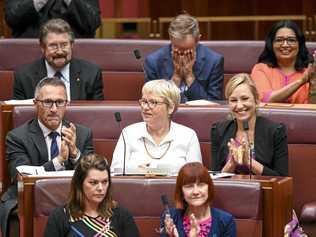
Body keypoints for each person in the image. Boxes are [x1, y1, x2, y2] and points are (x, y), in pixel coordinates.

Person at [0, 77, 94, 236]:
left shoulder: (83, 133)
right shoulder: (17, 137)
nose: (54, 109)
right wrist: (58, 161)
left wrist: (75, 153)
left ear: (67, 104)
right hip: (30, 201)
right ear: (35, 103)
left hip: (72, 198)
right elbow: (20, 177)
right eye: (47, 102)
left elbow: (93, 176)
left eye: (59, 102)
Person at [111, 79, 202, 175]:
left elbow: (196, 176)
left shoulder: (188, 136)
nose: (145, 107)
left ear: (170, 107)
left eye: (153, 102)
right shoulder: (128, 133)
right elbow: (115, 173)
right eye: (144, 101)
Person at [44, 153, 140, 237]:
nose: (100, 188)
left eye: (104, 182)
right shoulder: (60, 217)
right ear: (79, 184)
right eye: (93, 182)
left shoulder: (121, 215)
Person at [211, 73, 288, 176]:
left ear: (256, 101)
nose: (239, 106)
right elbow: (215, 177)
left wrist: (249, 162)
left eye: (245, 99)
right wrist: (231, 164)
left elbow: (282, 178)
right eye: (233, 100)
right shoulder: (218, 130)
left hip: (264, 190)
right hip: (229, 191)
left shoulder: (275, 131)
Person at [13, 18, 104, 101]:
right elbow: (20, 115)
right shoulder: (24, 76)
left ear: (72, 45)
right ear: (42, 48)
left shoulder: (91, 74)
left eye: (64, 45)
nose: (60, 51)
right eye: (53, 46)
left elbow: (97, 114)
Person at [144, 13, 224, 102]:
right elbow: (153, 102)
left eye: (187, 50)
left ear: (198, 40)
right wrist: (176, 77)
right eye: (177, 49)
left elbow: (214, 103)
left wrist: (189, 76)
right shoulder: (153, 62)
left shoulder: (214, 61)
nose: (182, 55)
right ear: (170, 38)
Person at [160, 162, 236, 237]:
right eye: (189, 186)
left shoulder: (226, 221)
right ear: (181, 192)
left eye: (201, 185)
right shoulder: (170, 217)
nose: (195, 191)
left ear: (209, 188)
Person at [251, 20, 316, 104]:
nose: (285, 45)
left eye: (291, 40)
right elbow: (266, 100)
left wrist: (314, 82)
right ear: (271, 44)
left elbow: (313, 108)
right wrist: (302, 81)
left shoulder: (309, 70)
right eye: (279, 40)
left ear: (299, 44)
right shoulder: (261, 69)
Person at [4, 0, 101, 38]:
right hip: (31, 56)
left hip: (76, 57)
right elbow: (12, 18)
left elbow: (92, 22)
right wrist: (38, 2)